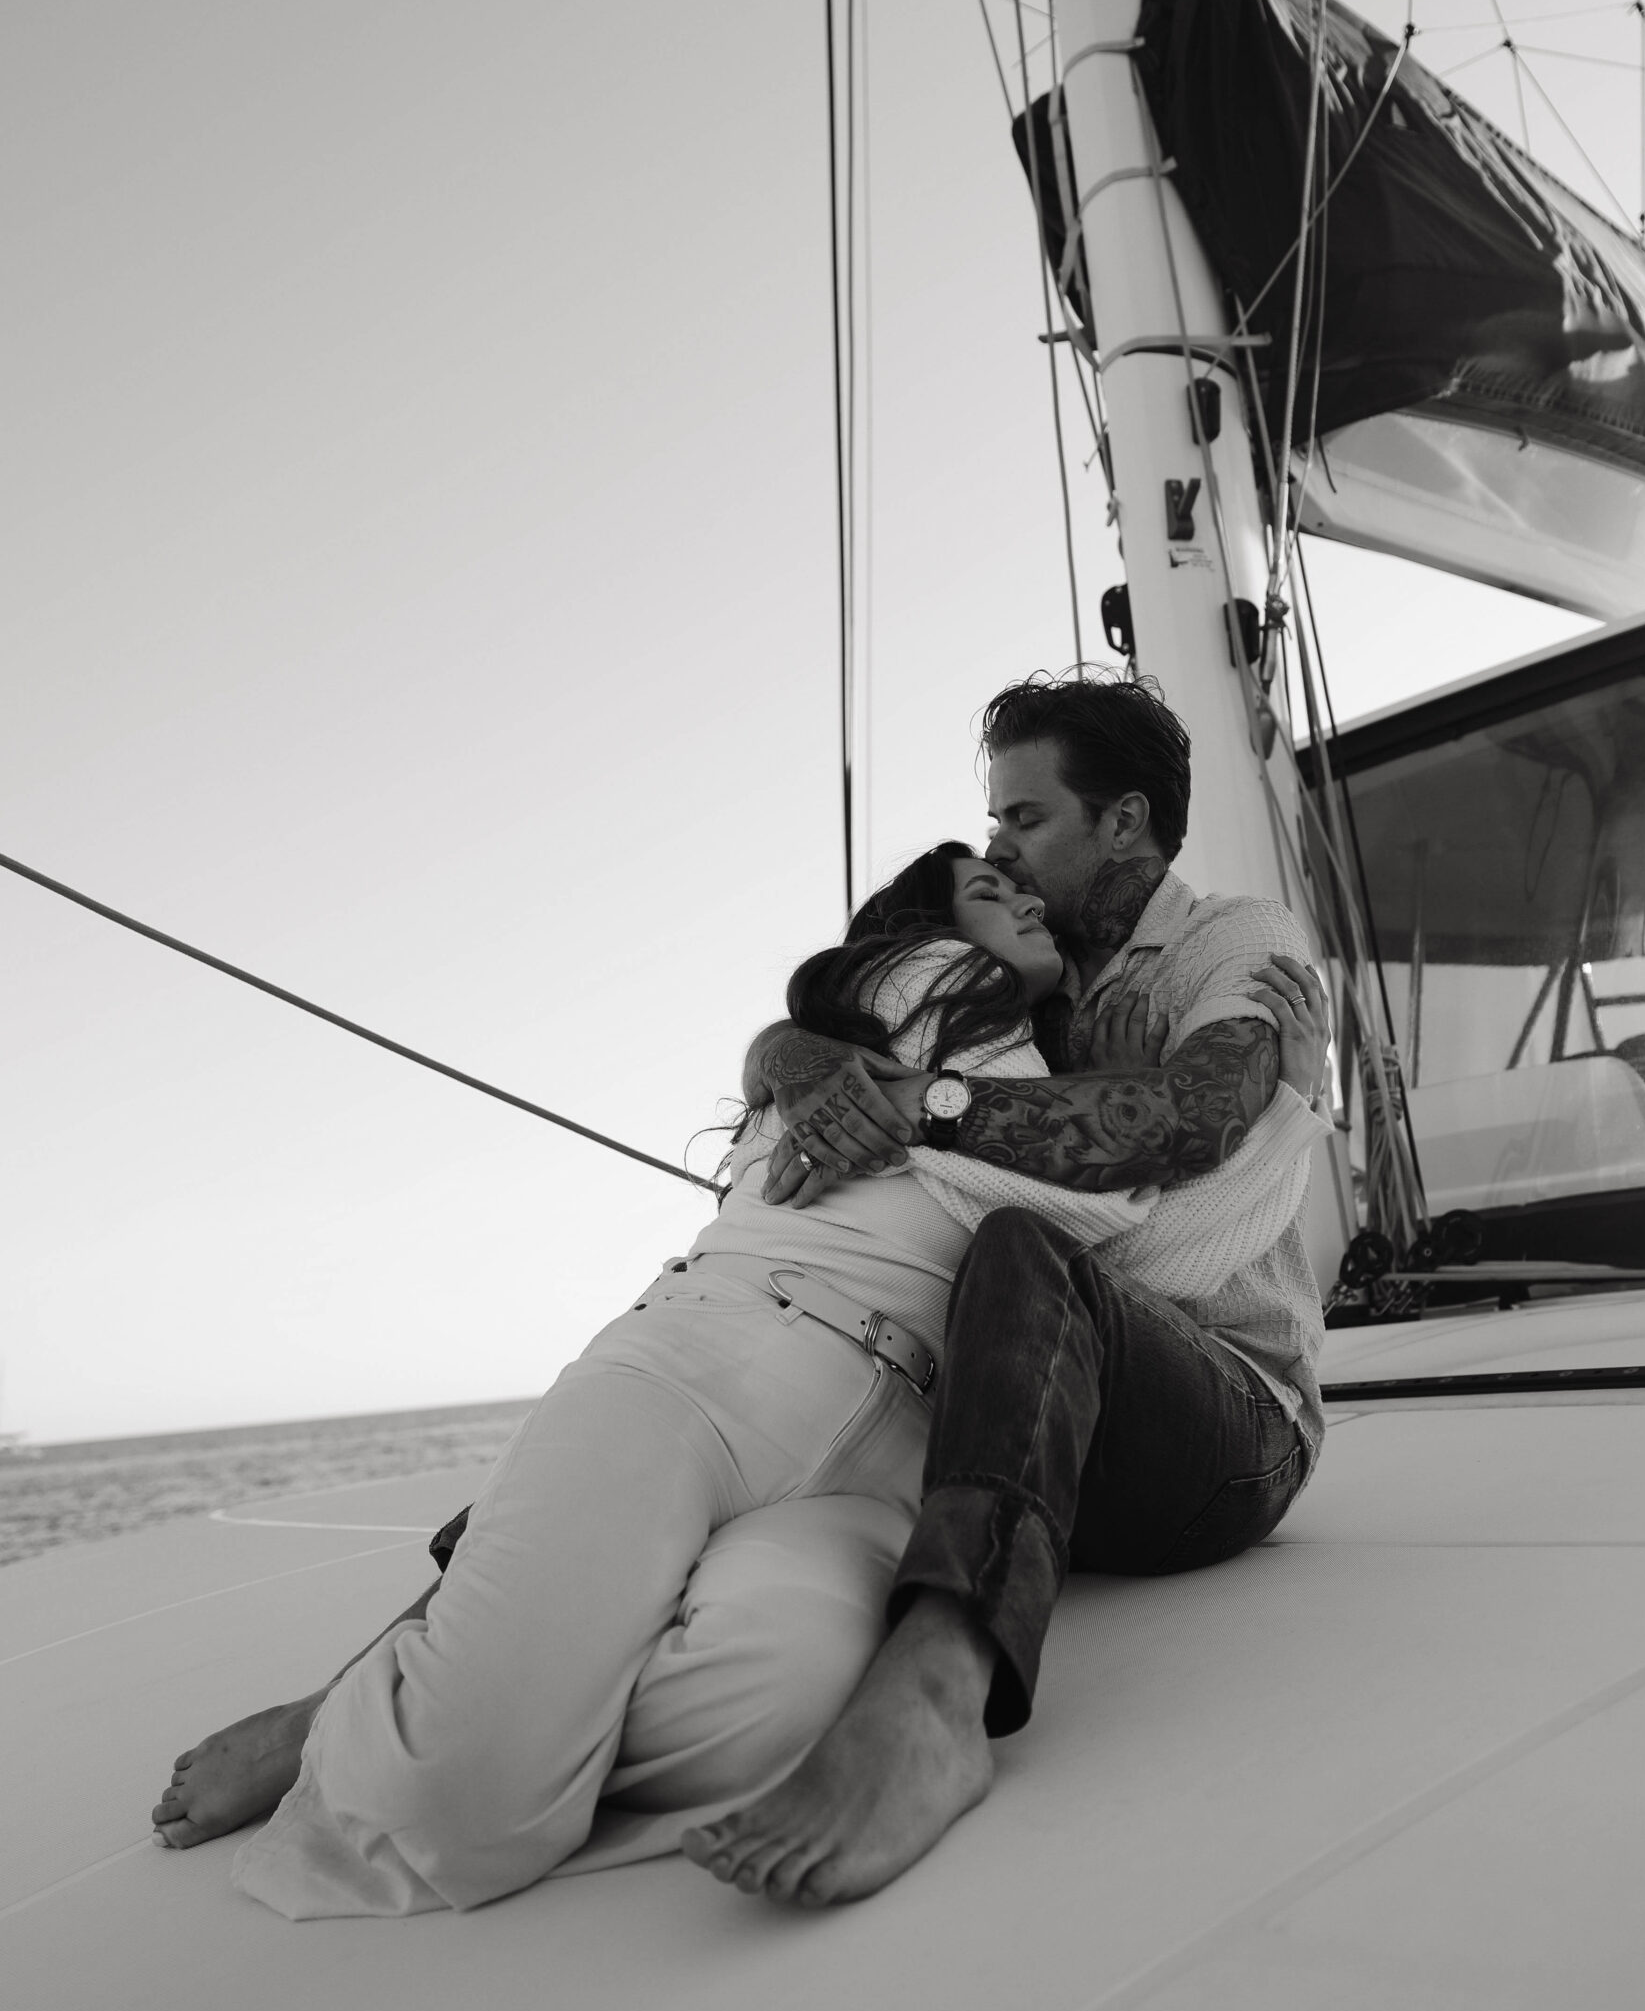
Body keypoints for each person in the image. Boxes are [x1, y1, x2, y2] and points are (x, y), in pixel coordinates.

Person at [152, 813, 1327, 1917]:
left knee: (782, 1699)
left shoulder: (1025, 1045)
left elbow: (1085, 1220)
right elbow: (1112, 1199)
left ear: (1125, 817)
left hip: (878, 1454)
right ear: (922, 928)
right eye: (989, 882)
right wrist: (1268, 1106)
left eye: (1023, 850)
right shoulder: (926, 990)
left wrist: (1126, 1082)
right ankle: (371, 1721)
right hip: (724, 1359)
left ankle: (472, 1696)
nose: (1019, 884)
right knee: (441, 1804)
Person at [683, 673, 1332, 1906]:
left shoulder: (1240, 950)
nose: (997, 849)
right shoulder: (1006, 984)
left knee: (1027, 1246)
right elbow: (835, 1010)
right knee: (784, 1327)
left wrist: (920, 1113)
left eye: (1025, 820)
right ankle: (436, 1647)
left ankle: (938, 1690)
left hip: (1234, 1421)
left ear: (1125, 821)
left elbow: (1178, 1146)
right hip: (1040, 1407)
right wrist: (790, 1054)